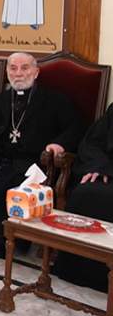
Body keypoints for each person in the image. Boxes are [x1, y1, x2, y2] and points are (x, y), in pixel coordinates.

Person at [0, 52, 82, 257]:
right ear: (7, 72)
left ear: (36, 72)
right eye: (13, 68)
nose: (18, 73)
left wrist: (59, 144)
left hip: (30, 160)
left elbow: (75, 128)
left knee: (15, 180)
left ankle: (8, 237)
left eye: (25, 68)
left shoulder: (54, 100)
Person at [53, 104, 113, 293]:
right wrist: (100, 166)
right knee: (86, 191)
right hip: (109, 173)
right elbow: (91, 143)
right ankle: (73, 271)